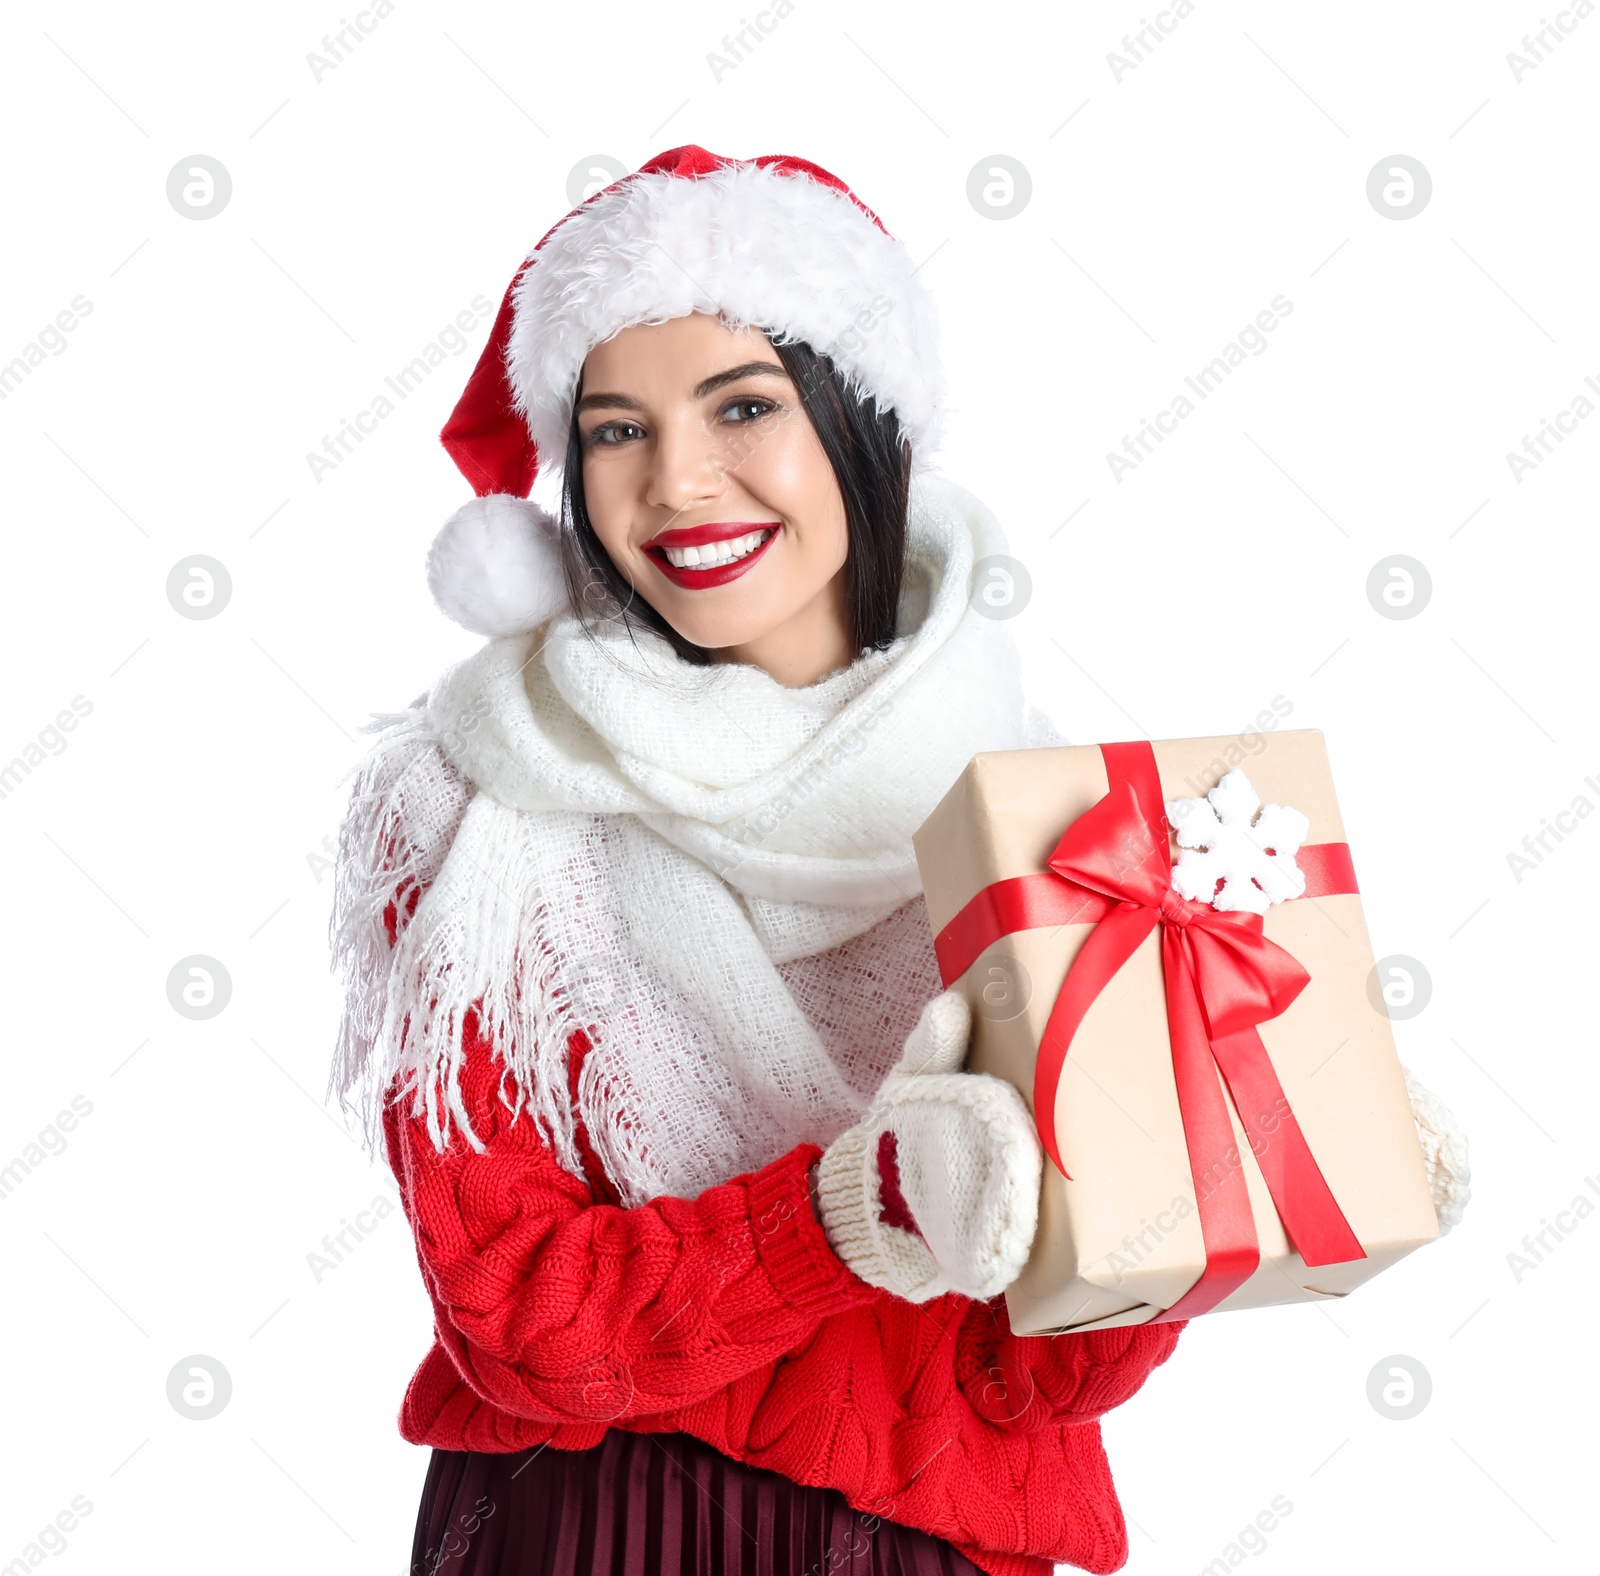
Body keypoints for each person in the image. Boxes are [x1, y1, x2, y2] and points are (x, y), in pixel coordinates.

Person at [327, 146, 1469, 1576]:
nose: (678, 480)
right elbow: (518, 1318)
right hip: (607, 1527)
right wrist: (844, 1213)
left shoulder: (1060, 834)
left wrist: (1226, 1153)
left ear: (864, 427)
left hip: (940, 1547)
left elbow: (1033, 1381)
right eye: (614, 429)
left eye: (745, 406)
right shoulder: (475, 815)